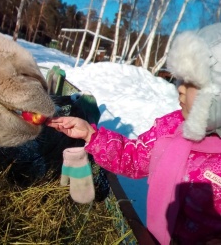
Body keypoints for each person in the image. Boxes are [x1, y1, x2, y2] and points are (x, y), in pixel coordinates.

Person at [47, 23, 221, 245]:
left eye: (192, 83)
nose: (179, 88)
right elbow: (135, 156)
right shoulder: (171, 126)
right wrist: (91, 135)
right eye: (180, 79)